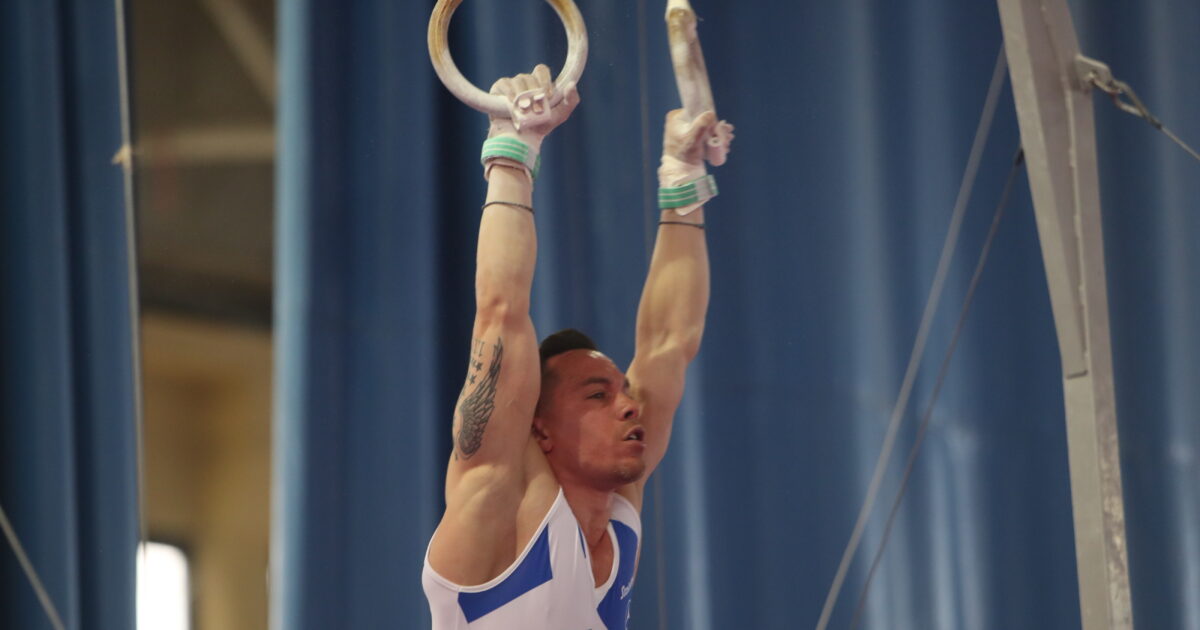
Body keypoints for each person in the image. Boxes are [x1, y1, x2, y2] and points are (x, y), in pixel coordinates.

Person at [422, 64, 728, 629]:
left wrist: (682, 175)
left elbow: (669, 341)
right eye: (596, 396)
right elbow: (500, 312)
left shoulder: (618, 512)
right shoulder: (499, 503)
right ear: (538, 430)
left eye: (622, 392)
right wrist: (512, 154)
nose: (630, 406)